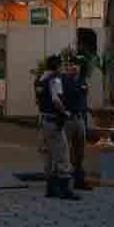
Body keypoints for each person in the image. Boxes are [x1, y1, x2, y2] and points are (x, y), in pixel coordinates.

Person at [35, 55, 80, 201]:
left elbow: (39, 100)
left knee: (49, 155)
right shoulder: (55, 80)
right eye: (61, 66)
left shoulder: (40, 79)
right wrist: (65, 112)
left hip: (44, 121)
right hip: (54, 122)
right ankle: (65, 190)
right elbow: (56, 100)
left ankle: (50, 188)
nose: (63, 69)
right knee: (63, 154)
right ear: (57, 67)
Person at [62, 58, 92, 191]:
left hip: (80, 119)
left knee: (80, 152)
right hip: (67, 120)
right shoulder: (63, 80)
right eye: (71, 65)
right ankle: (64, 181)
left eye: (76, 65)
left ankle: (79, 180)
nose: (74, 67)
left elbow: (84, 97)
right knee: (65, 151)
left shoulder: (82, 80)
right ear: (67, 67)